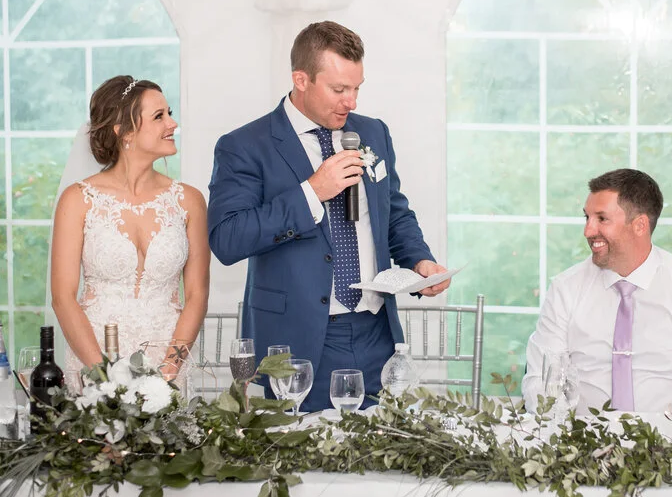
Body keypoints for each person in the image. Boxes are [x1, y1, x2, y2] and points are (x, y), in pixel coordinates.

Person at [207, 21, 449, 413]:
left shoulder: (373, 133)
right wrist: (312, 192)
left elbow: (393, 213)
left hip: (377, 333)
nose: (350, 102)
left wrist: (419, 260)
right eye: (339, 90)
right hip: (298, 341)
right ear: (301, 79)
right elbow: (228, 239)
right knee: (307, 448)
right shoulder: (245, 145)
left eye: (357, 88)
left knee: (383, 445)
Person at [522, 169, 672, 413]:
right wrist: (562, 431)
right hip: (579, 433)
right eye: (587, 218)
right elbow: (540, 382)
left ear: (639, 225)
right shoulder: (565, 289)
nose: (588, 231)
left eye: (602, 219)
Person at [50, 76, 210, 389]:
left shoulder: (189, 200)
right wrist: (105, 378)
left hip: (169, 366)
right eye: (159, 116)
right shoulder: (78, 200)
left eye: (169, 113)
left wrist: (168, 375)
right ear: (123, 131)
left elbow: (197, 295)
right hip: (95, 365)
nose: (172, 124)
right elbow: (63, 298)